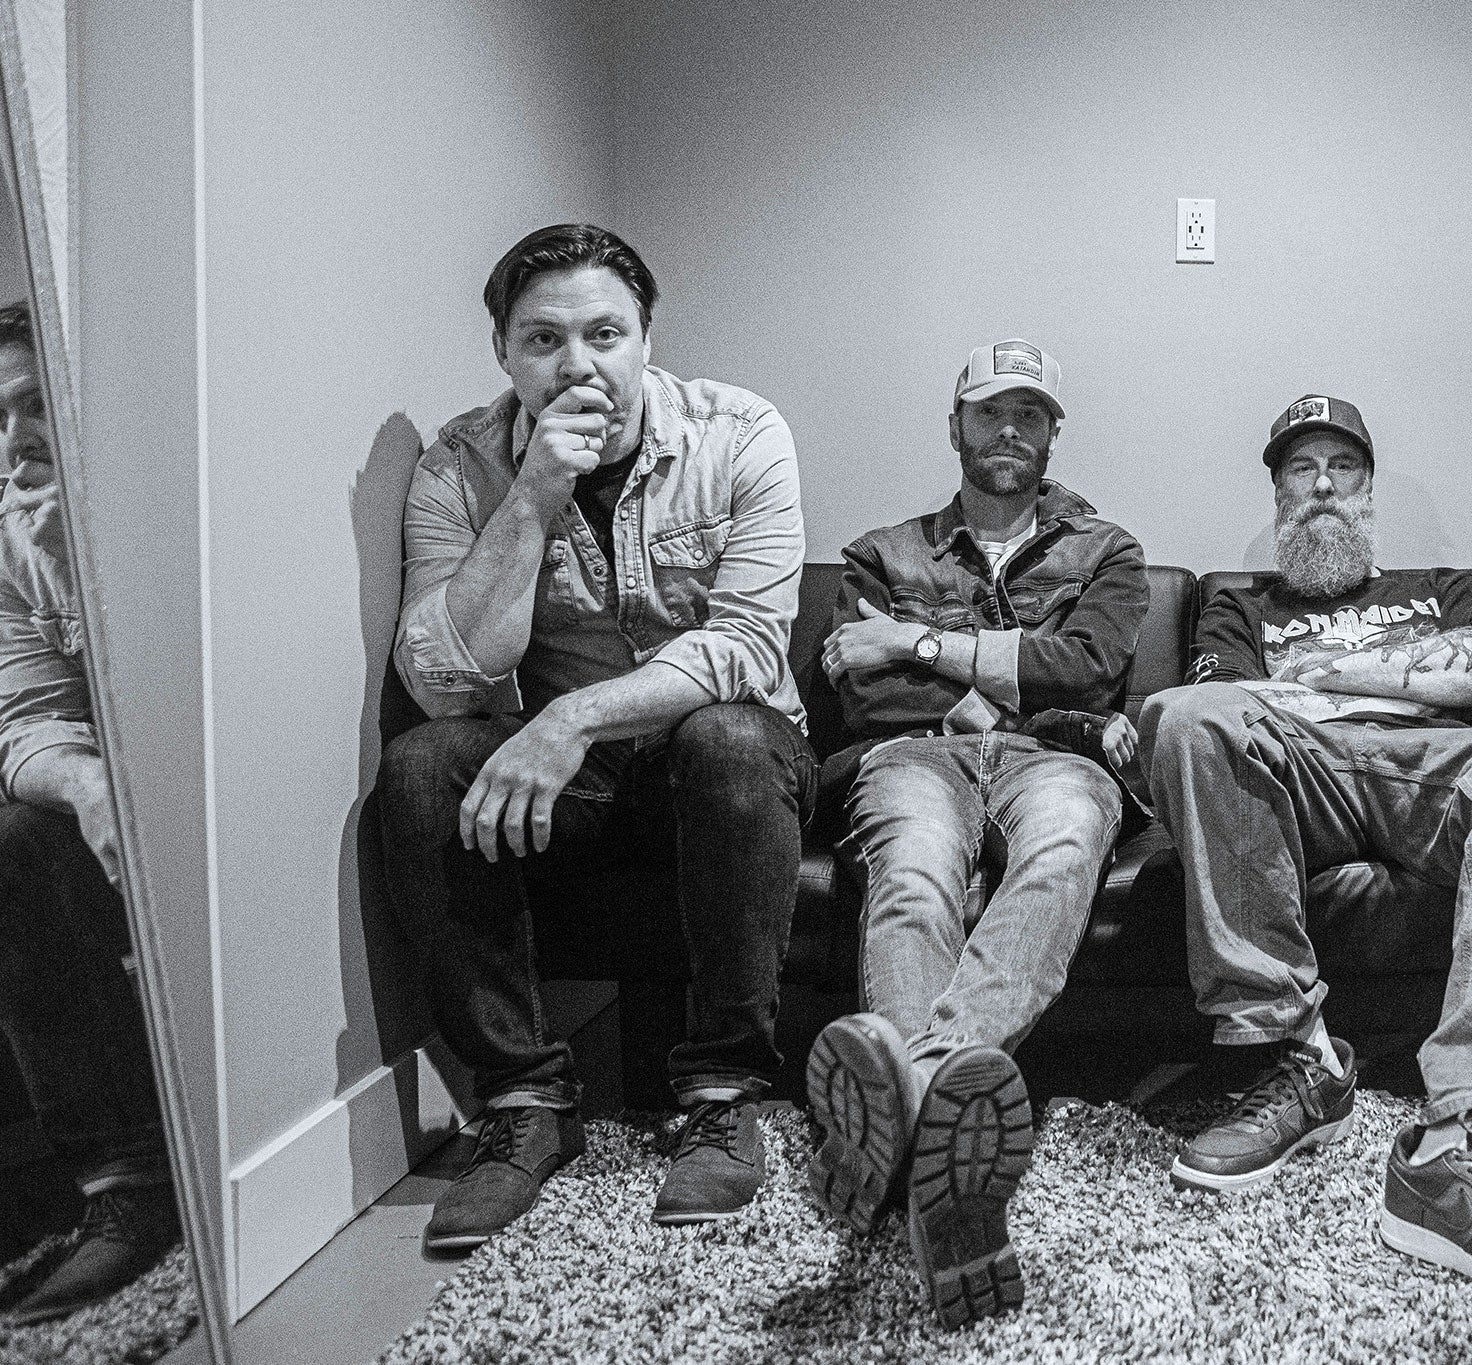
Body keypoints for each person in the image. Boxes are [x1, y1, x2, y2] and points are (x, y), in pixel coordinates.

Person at [1140, 395, 1472, 1326]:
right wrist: (1415, 678)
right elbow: (1226, 706)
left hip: (1433, 770)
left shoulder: (1442, 585)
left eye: (1343, 468)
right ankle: (1296, 1059)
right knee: (1186, 717)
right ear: (1279, 494)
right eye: (1302, 469)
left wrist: (1322, 676)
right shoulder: (1239, 605)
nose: (1323, 485)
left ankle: (1467, 1132)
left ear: (1368, 491)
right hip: (1303, 774)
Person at [377, 225, 813, 1248]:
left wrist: (570, 716)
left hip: (730, 755)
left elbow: (748, 644)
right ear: (504, 353)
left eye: (605, 334)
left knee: (726, 736)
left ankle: (722, 1094)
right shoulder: (456, 468)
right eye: (543, 340)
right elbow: (443, 679)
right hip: (578, 780)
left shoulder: (740, 431)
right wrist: (534, 492)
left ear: (646, 339)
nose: (577, 365)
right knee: (421, 767)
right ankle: (524, 1101)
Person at [805, 339, 1145, 1328]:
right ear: (954, 426)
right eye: (989, 411)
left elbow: (1085, 666)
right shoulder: (881, 554)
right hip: (912, 756)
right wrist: (1007, 678)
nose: (1009, 429)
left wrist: (916, 641)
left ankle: (913, 1087)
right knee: (913, 870)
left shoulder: (1107, 551)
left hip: (1052, 762)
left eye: (1029, 413)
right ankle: (947, 1132)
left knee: (1065, 847)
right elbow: (863, 690)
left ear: (1052, 434)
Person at [0, 303, 182, 1324]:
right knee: (12, 837)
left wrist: (81, 552)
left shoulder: (175, 489)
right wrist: (88, 784)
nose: (12, 438)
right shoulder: (10, 531)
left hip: (226, 779)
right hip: (107, 804)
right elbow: (22, 719)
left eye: (32, 405)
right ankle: (127, 1182)